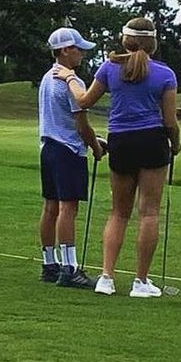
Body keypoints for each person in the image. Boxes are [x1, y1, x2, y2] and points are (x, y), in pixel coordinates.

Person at [57, 17, 181, 298]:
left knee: (118, 213)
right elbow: (170, 122)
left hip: (121, 142)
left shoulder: (110, 67)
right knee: (148, 212)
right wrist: (176, 144)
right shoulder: (165, 74)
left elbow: (84, 101)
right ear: (153, 42)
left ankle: (106, 278)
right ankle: (140, 282)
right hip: (152, 142)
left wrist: (69, 79)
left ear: (125, 40)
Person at [37, 28, 106, 289]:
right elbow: (81, 126)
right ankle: (70, 269)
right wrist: (95, 147)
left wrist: (94, 139)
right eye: (78, 48)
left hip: (49, 148)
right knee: (68, 208)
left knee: (50, 207)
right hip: (68, 150)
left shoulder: (46, 78)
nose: (82, 53)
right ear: (65, 50)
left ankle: (49, 264)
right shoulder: (72, 82)